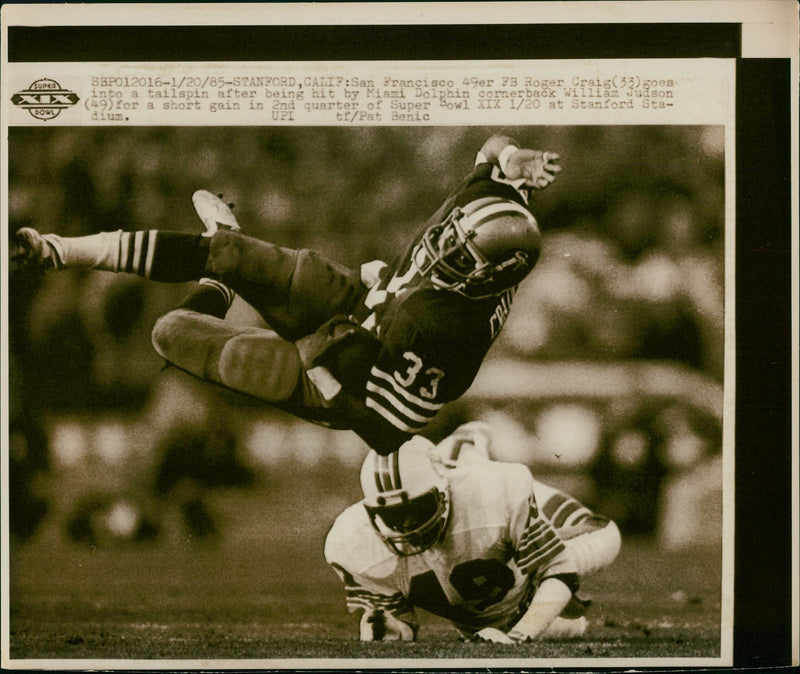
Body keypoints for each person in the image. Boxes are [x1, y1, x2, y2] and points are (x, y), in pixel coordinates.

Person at [11, 135, 561, 455]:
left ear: (486, 279)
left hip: (343, 373)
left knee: (169, 333)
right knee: (233, 253)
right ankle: (58, 250)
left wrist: (318, 371)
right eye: (454, 234)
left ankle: (218, 288)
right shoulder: (495, 212)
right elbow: (493, 148)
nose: (445, 244)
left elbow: (388, 432)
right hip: (360, 302)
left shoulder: (450, 335)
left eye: (461, 255)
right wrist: (512, 158)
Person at [324, 422, 621, 643]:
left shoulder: (494, 493)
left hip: (500, 534)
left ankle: (465, 450)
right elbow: (400, 624)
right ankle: (462, 451)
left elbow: (558, 569)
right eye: (393, 516)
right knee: (516, 626)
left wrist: (520, 636)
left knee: (605, 536)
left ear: (443, 493)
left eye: (417, 511)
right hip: (492, 612)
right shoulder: (351, 541)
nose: (407, 526)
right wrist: (385, 625)